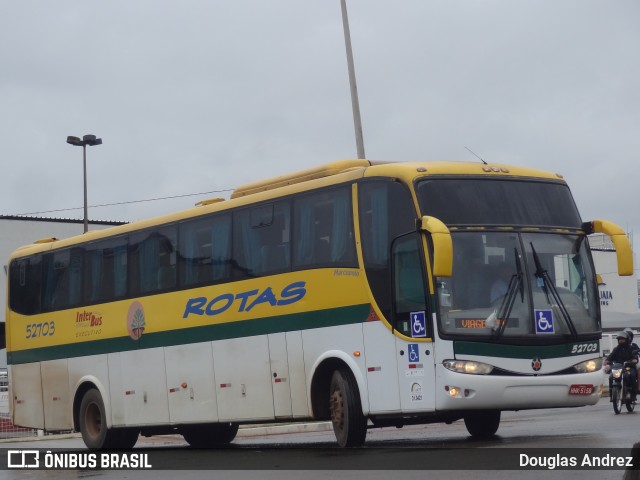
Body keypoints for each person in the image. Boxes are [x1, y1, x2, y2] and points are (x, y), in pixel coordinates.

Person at [605, 331, 639, 402]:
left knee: (632, 375)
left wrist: (634, 360)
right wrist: (607, 361)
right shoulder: (616, 349)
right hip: (619, 368)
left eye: (622, 339)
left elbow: (635, 356)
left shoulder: (631, 348)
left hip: (629, 367)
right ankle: (612, 394)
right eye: (619, 339)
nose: (621, 340)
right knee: (611, 377)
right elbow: (610, 357)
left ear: (627, 339)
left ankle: (633, 394)